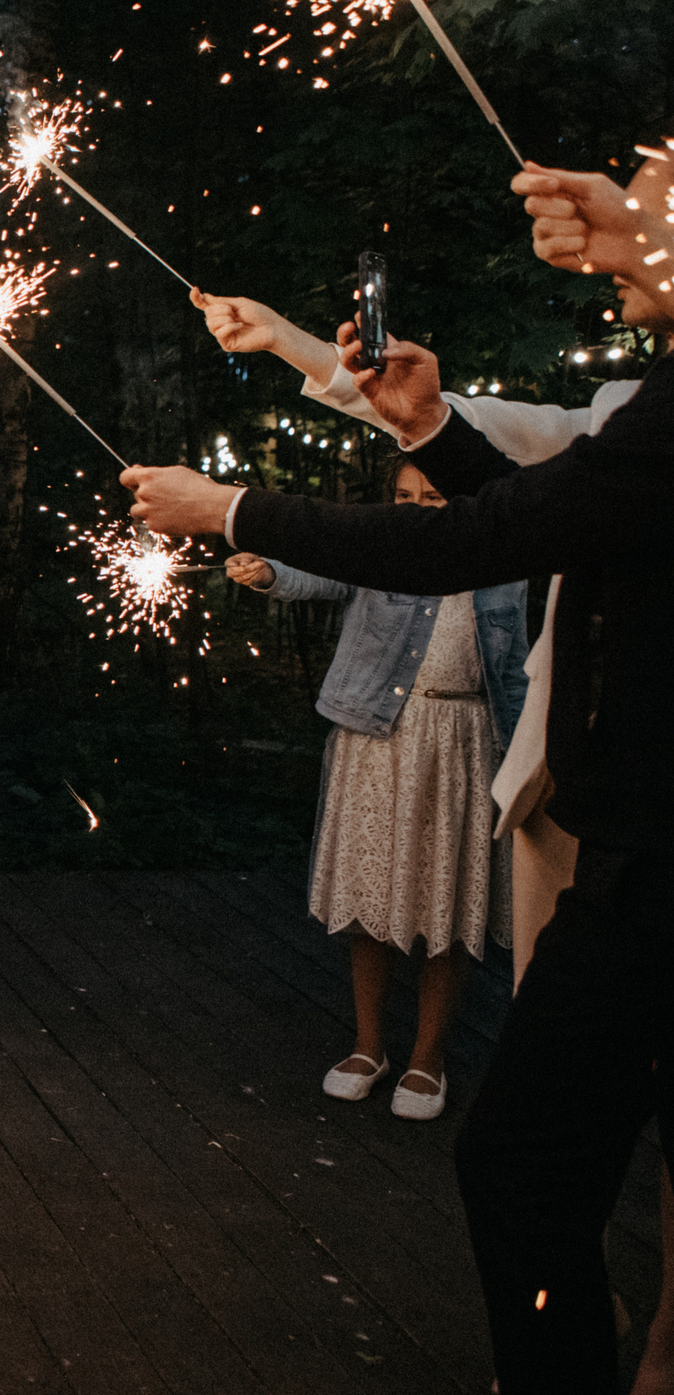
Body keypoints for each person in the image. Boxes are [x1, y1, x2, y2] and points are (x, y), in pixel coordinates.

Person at [121, 153, 674, 1394]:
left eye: (649, 196)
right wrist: (425, 426)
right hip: (635, 853)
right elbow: (547, 510)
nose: (609, 229)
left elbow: (476, 541)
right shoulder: (654, 406)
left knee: (517, 1164)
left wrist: (232, 509)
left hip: (655, 872)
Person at [193, 283, 632, 974]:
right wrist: (286, 340)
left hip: (511, 747)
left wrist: (231, 508)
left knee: (467, 918)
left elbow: (445, 536)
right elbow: (461, 424)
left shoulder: (601, 466)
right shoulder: (616, 416)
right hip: (468, 748)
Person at [225, 460, 527, 1120]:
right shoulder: (380, 545)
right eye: (403, 495)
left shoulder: (505, 561)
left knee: (448, 903)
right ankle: (368, 1047)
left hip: (464, 740)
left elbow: (522, 664)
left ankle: (427, 1058)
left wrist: (532, 754)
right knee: (371, 894)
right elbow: (318, 570)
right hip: (376, 735)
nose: (416, 508)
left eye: (434, 495)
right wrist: (269, 572)